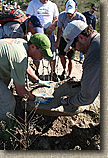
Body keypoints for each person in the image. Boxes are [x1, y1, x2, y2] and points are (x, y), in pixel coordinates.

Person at [0, 33, 53, 120]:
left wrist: (37, 80)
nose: (42, 57)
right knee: (8, 101)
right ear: (33, 47)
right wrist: (35, 98)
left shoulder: (22, 43)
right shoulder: (19, 58)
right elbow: (20, 91)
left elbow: (26, 66)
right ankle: (6, 128)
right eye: (42, 53)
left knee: (5, 85)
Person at [60, 20, 100, 111]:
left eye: (74, 45)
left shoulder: (94, 54)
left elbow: (87, 98)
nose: (75, 49)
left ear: (81, 37)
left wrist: (69, 101)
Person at [26, 0, 59, 81]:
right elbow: (28, 16)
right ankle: (36, 72)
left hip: (49, 32)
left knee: (52, 53)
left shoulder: (53, 5)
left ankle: (53, 72)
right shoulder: (33, 3)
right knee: (36, 53)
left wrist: (52, 27)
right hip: (36, 32)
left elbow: (56, 19)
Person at [54, 0, 86, 80]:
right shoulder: (61, 16)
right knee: (61, 55)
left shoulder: (81, 18)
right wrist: (58, 41)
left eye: (71, 13)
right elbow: (59, 29)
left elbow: (84, 32)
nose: (69, 15)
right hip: (64, 36)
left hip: (75, 38)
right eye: (68, 13)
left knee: (70, 57)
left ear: (76, 9)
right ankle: (64, 69)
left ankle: (69, 74)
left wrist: (72, 45)